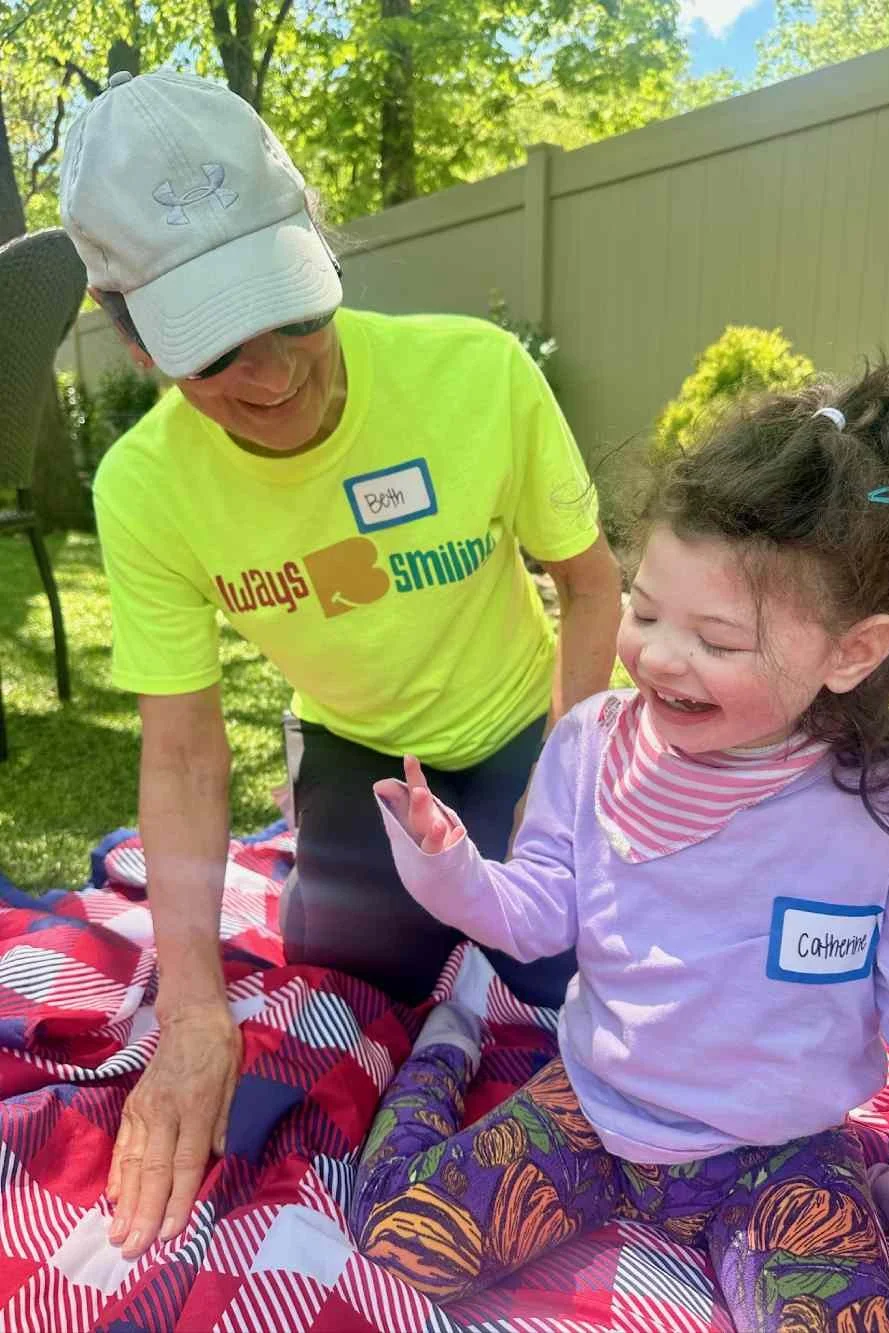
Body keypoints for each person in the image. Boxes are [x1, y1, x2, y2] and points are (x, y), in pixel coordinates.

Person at [58, 68, 622, 1259]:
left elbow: (589, 585)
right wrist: (196, 1008)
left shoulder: (478, 374)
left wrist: (568, 775)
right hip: (363, 751)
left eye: (291, 314)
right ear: (125, 327)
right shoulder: (146, 488)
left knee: (587, 985)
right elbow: (181, 745)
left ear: (317, 238)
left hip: (526, 722)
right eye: (215, 349)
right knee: (345, 995)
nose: (275, 379)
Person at [350, 364, 889, 1329]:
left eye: (717, 638)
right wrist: (449, 866)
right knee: (394, 1248)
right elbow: (538, 914)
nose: (658, 655)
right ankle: (443, 1053)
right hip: (595, 1110)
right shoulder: (590, 743)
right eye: (645, 610)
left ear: (850, 652)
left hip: (781, 1152)